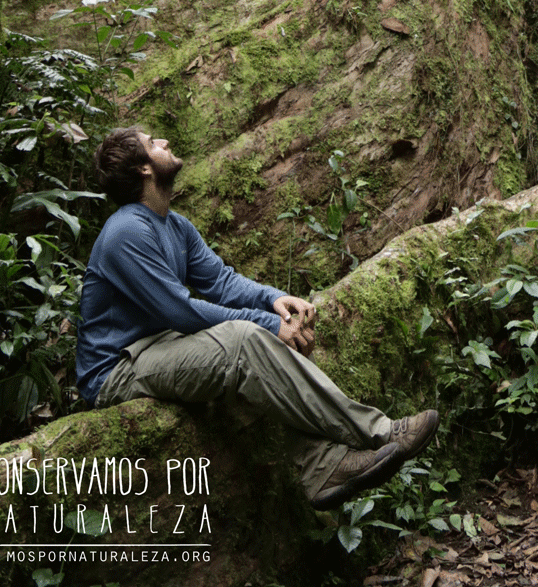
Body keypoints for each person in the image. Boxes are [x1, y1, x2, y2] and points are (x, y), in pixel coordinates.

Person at [75, 127, 438, 509]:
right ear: (143, 169)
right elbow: (179, 310)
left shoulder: (175, 225)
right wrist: (268, 324)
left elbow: (220, 281)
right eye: (153, 143)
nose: (164, 142)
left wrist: (275, 300)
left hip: (161, 347)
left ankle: (323, 466)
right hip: (117, 370)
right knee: (245, 339)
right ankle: (381, 432)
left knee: (283, 332)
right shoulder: (127, 230)